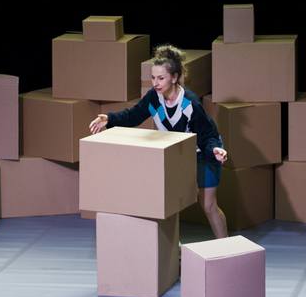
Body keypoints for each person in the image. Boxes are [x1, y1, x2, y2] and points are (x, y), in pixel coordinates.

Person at [89, 44, 231, 238]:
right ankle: (171, 250)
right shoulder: (153, 98)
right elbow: (133, 115)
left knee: (208, 205)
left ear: (174, 77)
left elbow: (208, 135)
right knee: (169, 205)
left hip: (204, 153)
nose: (155, 83)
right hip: (177, 155)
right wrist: (109, 119)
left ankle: (225, 246)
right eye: (153, 78)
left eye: (161, 78)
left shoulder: (190, 103)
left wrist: (215, 150)